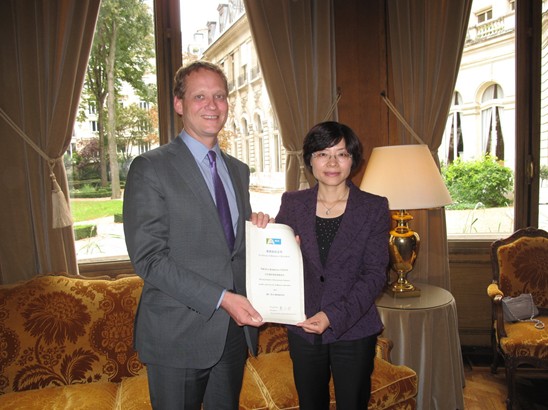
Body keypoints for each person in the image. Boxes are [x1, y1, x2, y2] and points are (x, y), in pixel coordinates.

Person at [123, 61, 270, 410]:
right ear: (179, 104)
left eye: (219, 96)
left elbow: (230, 247)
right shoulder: (150, 168)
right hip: (177, 334)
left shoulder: (237, 170)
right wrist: (222, 298)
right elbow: (149, 260)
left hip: (232, 334)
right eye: (200, 96)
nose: (212, 105)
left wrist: (270, 239)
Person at [275, 121, 390, 410]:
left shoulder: (373, 207)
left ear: (353, 160)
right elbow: (277, 259)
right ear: (310, 160)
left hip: (354, 327)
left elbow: (375, 274)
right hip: (303, 326)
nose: (332, 163)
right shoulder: (292, 203)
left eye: (342, 154)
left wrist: (332, 315)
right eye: (322, 154)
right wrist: (263, 229)